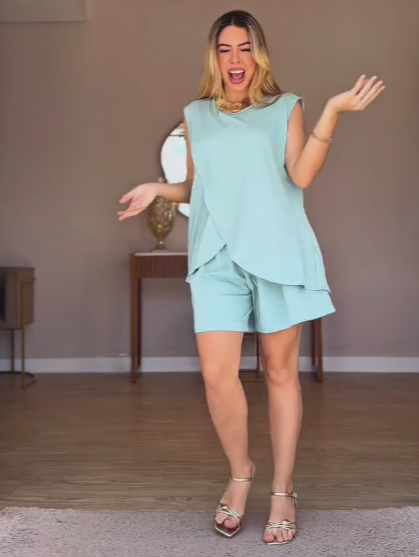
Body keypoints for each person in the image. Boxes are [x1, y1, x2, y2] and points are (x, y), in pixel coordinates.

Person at [118, 9, 384, 546]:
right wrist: (158, 187)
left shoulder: (286, 108)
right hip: (216, 255)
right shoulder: (196, 114)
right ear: (214, 57)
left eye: (244, 48)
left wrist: (332, 112)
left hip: (276, 251)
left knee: (280, 373)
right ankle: (241, 475)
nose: (235, 59)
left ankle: (283, 491)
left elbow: (300, 175)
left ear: (258, 54)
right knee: (217, 374)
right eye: (225, 49)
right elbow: (199, 186)